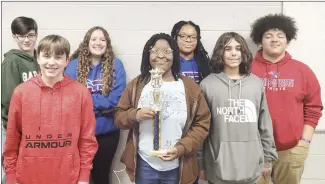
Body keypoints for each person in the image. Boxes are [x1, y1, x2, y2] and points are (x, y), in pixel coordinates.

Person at [115, 33, 211, 184]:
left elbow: (202, 124)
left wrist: (181, 148)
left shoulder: (189, 87)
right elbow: (119, 117)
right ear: (147, 55)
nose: (160, 56)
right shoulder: (137, 85)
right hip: (145, 164)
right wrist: (137, 114)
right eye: (154, 51)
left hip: (178, 166)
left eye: (167, 51)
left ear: (175, 54)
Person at [3, 34, 98, 184]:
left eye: (58, 57)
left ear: (67, 61)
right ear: (38, 58)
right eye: (46, 56)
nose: (51, 62)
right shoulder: (21, 92)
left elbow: (87, 139)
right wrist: (11, 176)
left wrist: (84, 176)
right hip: (27, 177)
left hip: (68, 177)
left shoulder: (81, 93)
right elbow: (12, 139)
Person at [250, 14, 323, 184]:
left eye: (280, 36)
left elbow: (314, 108)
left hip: (291, 150)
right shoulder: (247, 69)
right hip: (254, 150)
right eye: (268, 36)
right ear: (260, 40)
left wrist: (304, 142)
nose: (274, 40)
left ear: (287, 40)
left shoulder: (302, 70)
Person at [199, 32, 277, 184]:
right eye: (228, 48)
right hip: (218, 166)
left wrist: (268, 158)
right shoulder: (207, 85)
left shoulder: (256, 84)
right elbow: (201, 128)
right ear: (220, 53)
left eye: (238, 48)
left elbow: (264, 124)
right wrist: (200, 162)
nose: (234, 53)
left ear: (244, 52)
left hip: (251, 165)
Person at [65, 26, 126, 184]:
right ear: (87, 42)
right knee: (78, 177)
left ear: (107, 44)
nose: (98, 42)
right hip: (79, 133)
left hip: (107, 133)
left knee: (101, 177)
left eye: (102, 39)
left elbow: (116, 100)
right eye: (94, 39)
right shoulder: (73, 66)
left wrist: (86, 101)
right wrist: (101, 105)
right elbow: (70, 99)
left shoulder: (116, 66)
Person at [2, 16, 39, 130]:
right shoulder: (11, 61)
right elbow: (9, 99)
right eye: (22, 36)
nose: (26, 40)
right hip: (17, 125)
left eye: (31, 35)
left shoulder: (42, 59)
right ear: (14, 37)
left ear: (36, 35)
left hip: (38, 123)